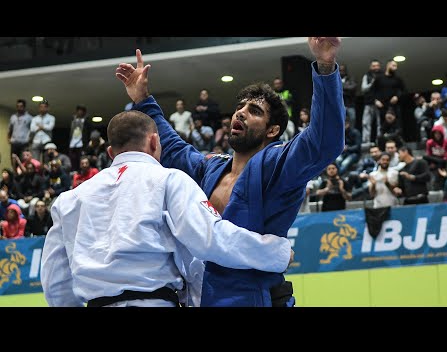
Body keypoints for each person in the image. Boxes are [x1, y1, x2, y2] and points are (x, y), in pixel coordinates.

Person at [115, 37, 345, 307]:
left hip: (256, 297)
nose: (241, 113)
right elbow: (174, 149)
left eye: (254, 111)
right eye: (240, 107)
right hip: (204, 296)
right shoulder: (211, 167)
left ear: (272, 131)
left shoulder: (278, 165)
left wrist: (326, 64)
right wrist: (142, 99)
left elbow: (324, 141)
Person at [40, 111, 293, 307]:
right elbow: (210, 239)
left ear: (110, 152)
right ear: (154, 141)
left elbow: (55, 282)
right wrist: (275, 253)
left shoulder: (69, 200)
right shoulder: (169, 180)